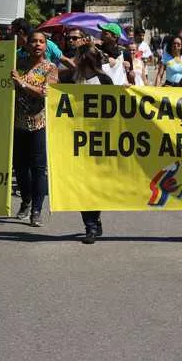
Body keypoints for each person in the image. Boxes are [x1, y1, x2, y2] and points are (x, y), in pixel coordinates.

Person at [12, 29, 58, 227]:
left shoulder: (50, 68)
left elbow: (46, 93)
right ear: (27, 44)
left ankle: (36, 211)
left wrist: (22, 83)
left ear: (46, 46)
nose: (37, 44)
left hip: (39, 123)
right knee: (20, 168)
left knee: (38, 169)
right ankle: (26, 200)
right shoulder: (17, 64)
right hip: (17, 124)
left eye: (41, 42)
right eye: (33, 41)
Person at [69, 43, 113, 243]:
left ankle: (94, 220)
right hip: (76, 140)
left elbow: (114, 107)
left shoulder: (104, 80)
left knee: (96, 183)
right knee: (82, 184)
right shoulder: (71, 80)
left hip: (99, 140)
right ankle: (90, 225)